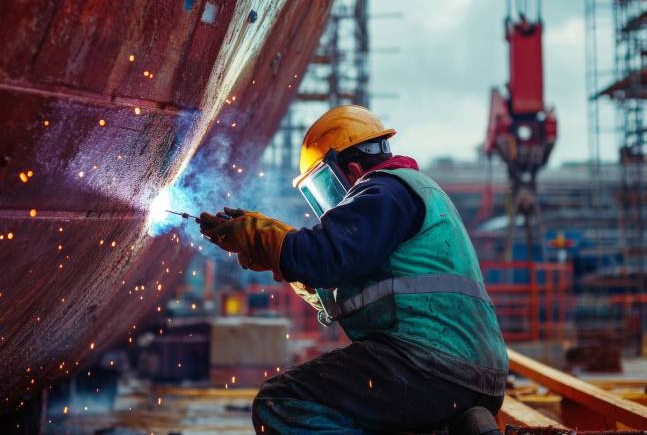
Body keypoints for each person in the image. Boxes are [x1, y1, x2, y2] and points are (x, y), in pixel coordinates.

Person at [199, 105, 507, 433]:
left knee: (283, 401)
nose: (332, 203)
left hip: (428, 366)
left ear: (351, 169)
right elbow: (340, 285)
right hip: (470, 374)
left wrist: (271, 241)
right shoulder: (410, 194)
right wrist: (278, 257)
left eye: (325, 187)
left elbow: (327, 257)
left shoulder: (383, 191)